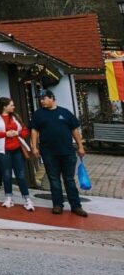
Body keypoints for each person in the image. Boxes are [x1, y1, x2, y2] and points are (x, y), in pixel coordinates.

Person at [31, 89, 87, 217]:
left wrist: (80, 146)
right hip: (48, 152)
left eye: (43, 98)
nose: (41, 101)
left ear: (52, 98)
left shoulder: (65, 112)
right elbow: (34, 131)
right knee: (54, 179)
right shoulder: (38, 114)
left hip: (67, 151)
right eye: (40, 99)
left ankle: (76, 206)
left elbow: (75, 130)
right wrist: (34, 147)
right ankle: (57, 205)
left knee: (69, 180)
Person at [0, 97, 33, 210]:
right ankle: (8, 197)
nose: (13, 107)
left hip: (17, 149)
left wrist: (18, 132)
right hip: (2, 150)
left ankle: (27, 199)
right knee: (6, 174)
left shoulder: (16, 116)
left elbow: (25, 130)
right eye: (11, 105)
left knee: (21, 175)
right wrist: (5, 134)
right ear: (4, 106)